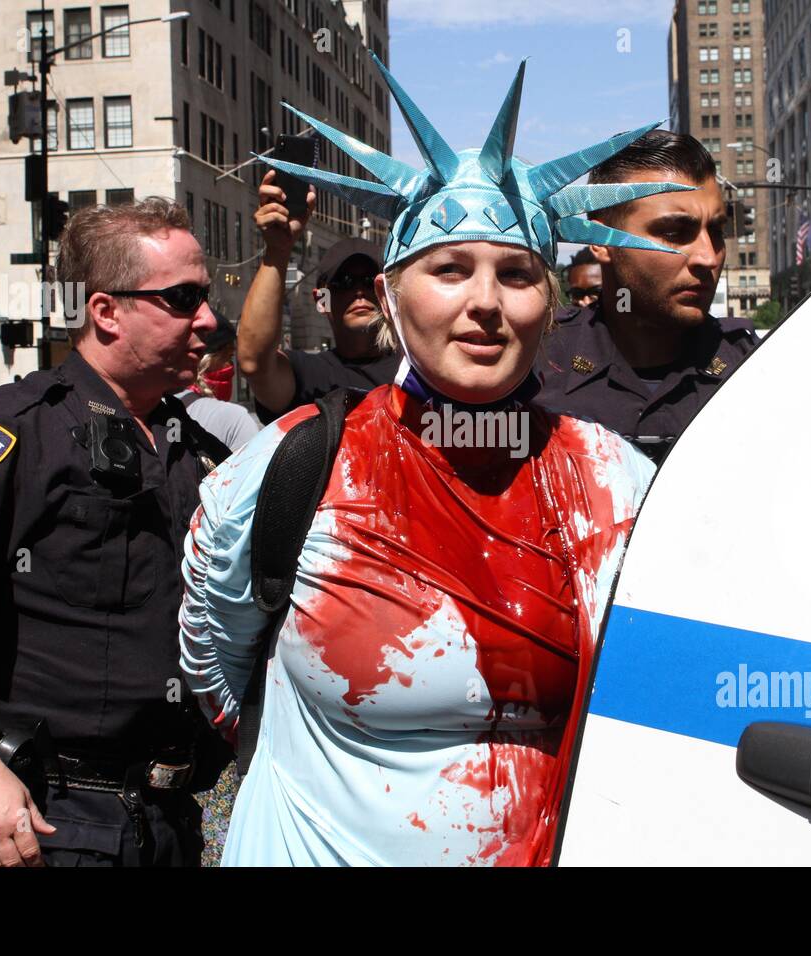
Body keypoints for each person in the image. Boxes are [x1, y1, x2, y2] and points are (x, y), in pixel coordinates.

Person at [178, 55, 692, 866]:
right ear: (390, 295)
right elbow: (218, 662)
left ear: (549, 304)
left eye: (517, 274)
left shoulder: (616, 485)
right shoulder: (297, 463)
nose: (484, 302)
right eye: (449, 269)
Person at [0, 198, 232, 867]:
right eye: (183, 298)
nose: (209, 319)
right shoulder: (8, 430)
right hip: (49, 823)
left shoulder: (201, 450)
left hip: (169, 820)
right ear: (105, 311)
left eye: (206, 296)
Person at [536, 129, 758, 465]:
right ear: (600, 237)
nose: (708, 257)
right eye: (674, 233)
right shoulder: (538, 367)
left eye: (716, 231)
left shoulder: (756, 372)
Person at [238, 182, 399, 423]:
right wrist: (278, 249)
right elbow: (254, 362)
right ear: (321, 300)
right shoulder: (308, 374)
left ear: (386, 292)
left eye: (368, 281)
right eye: (344, 281)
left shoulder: (418, 369)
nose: (358, 291)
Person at [175, 314, 260, 452]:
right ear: (208, 359)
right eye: (228, 357)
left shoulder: (156, 403)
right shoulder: (235, 418)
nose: (230, 366)